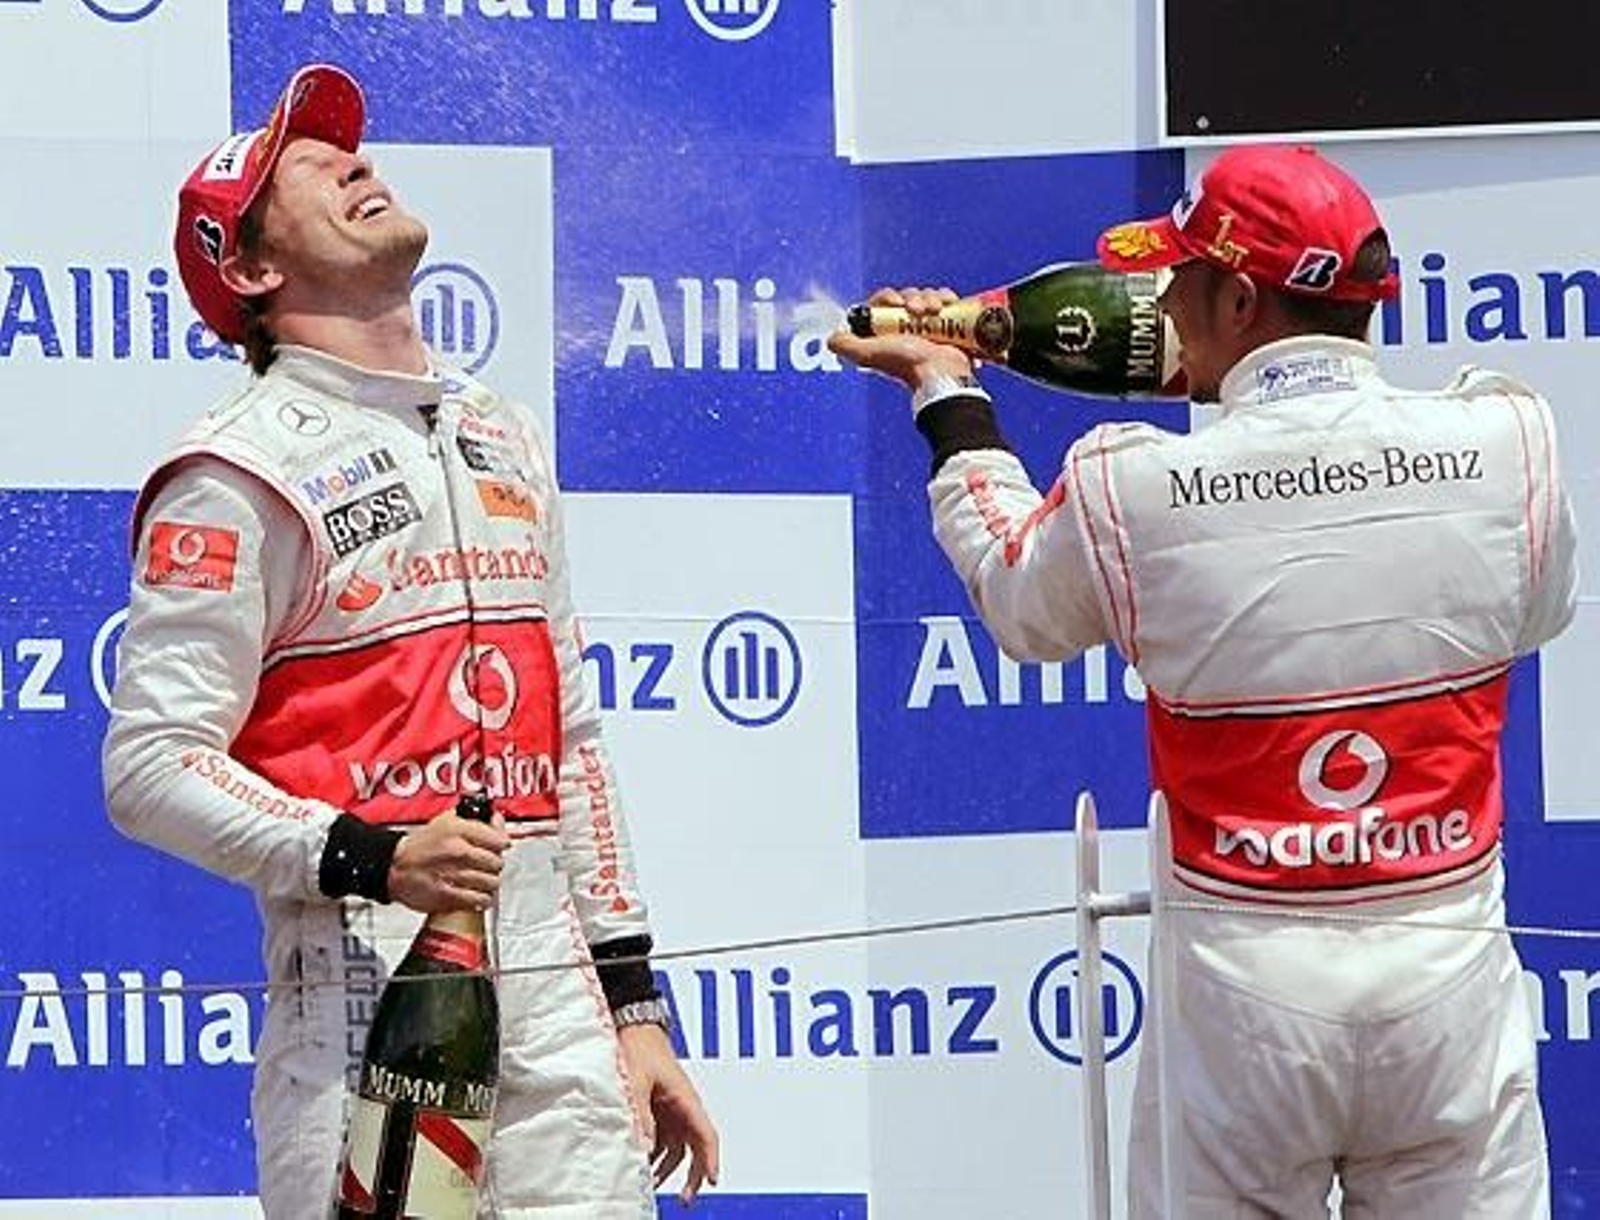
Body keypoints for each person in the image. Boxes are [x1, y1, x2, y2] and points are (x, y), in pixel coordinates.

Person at [830, 143, 1574, 1218]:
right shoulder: (1510, 438)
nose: (1158, 298)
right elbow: (1538, 608)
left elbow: (1018, 599)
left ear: (1234, 296)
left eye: (1176, 277)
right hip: (1446, 979)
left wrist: (946, 387)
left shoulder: (1131, 482)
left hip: (1243, 1001)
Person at [102, 62, 719, 1218]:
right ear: (249, 267)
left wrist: (634, 1011)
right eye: (304, 166)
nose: (353, 161)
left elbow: (570, 739)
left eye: (349, 148)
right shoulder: (233, 471)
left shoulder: (500, 428)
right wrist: (371, 853)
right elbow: (147, 766)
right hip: (360, 982)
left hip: (555, 996)